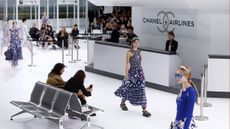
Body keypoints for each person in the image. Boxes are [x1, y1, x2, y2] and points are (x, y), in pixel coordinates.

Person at [114, 37, 151, 117]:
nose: (137, 44)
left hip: (140, 73)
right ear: (132, 43)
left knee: (142, 90)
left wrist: (141, 73)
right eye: (135, 42)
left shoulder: (140, 52)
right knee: (128, 88)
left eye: (138, 42)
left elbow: (139, 64)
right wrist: (126, 75)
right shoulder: (129, 52)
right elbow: (127, 65)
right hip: (132, 73)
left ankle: (144, 110)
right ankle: (122, 103)